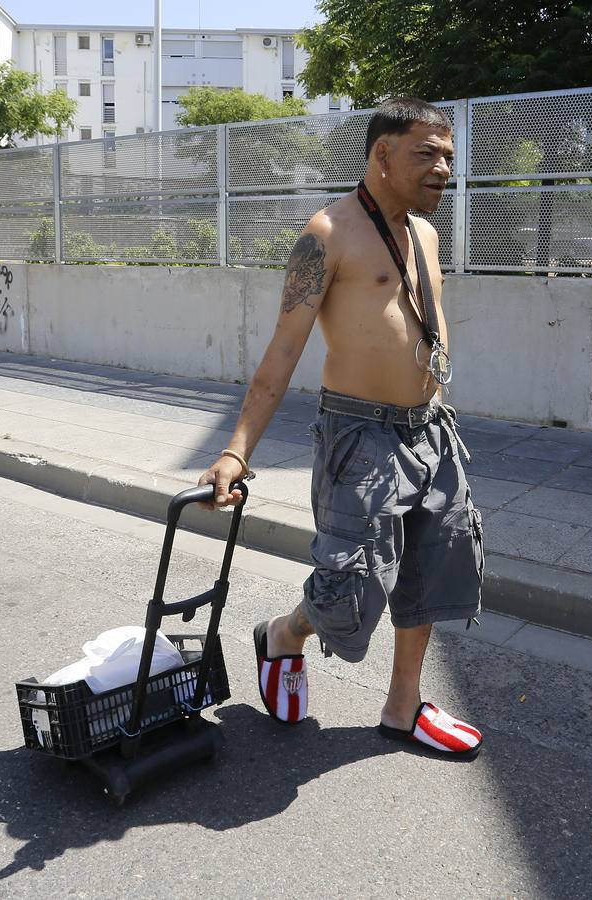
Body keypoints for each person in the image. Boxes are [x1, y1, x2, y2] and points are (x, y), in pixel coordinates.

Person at [197, 97, 485, 759]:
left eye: (448, 156)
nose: (444, 169)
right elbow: (282, 351)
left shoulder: (425, 232)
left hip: (431, 430)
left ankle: (402, 708)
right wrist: (236, 451)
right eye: (427, 154)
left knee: (432, 571)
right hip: (362, 436)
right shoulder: (326, 233)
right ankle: (284, 634)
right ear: (381, 155)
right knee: (346, 586)